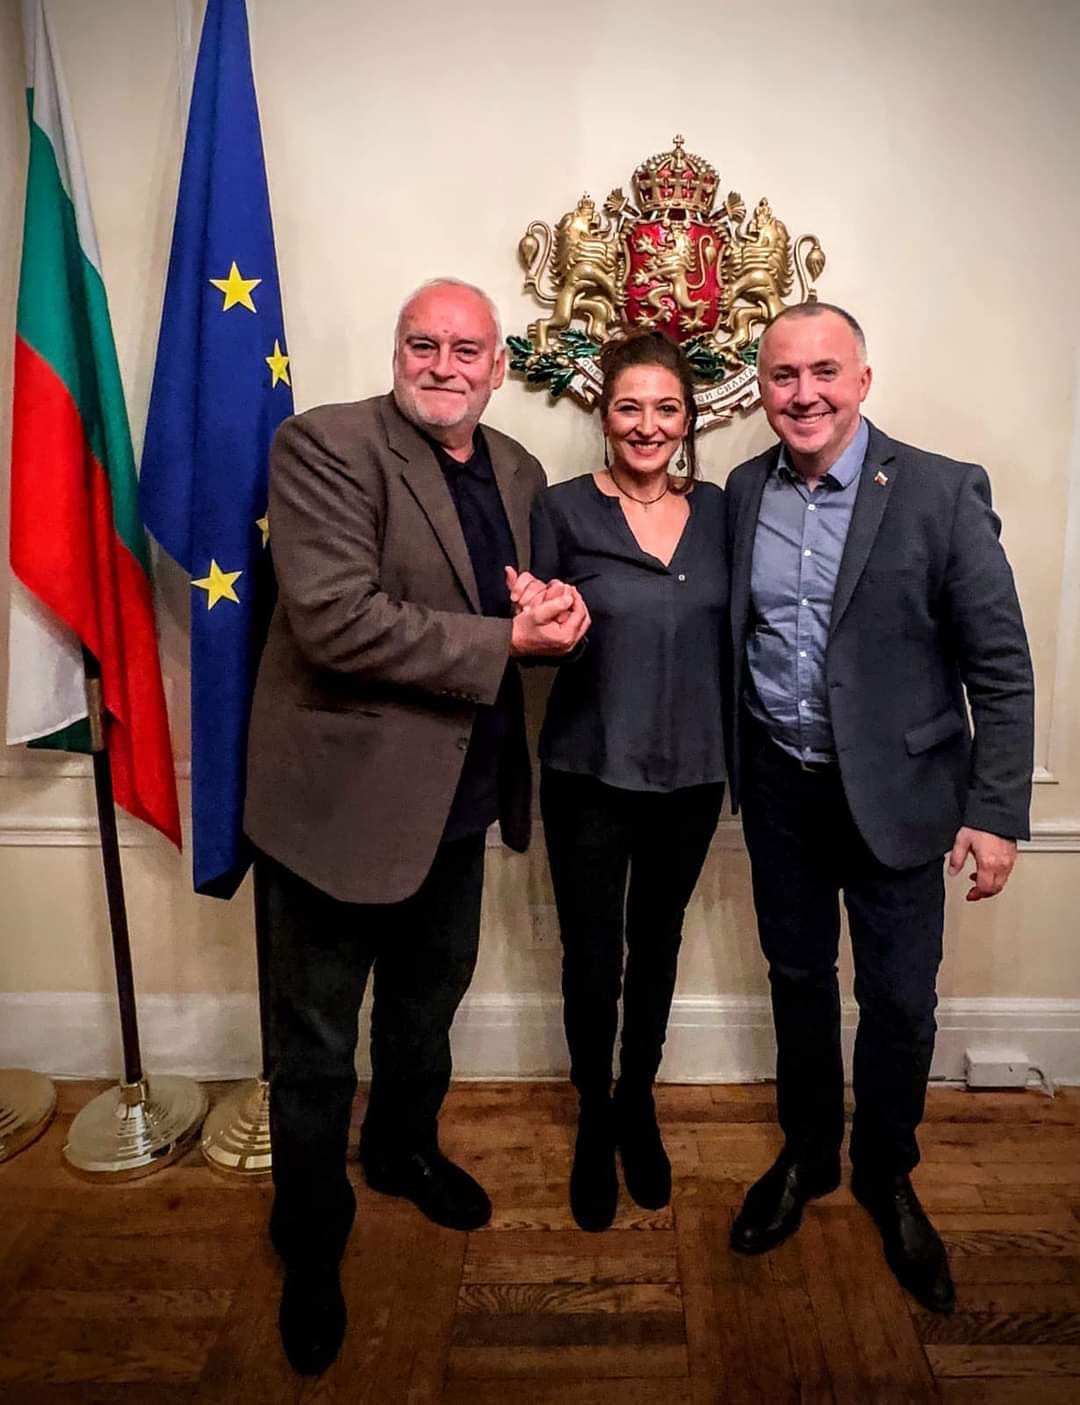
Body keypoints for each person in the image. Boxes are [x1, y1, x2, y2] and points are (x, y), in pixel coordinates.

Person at [244, 278, 590, 1375]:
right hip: (336, 810)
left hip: (461, 799)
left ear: (499, 366)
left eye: (466, 349)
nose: (443, 365)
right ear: (397, 350)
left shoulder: (519, 468)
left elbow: (514, 601)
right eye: (422, 344)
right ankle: (310, 1238)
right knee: (312, 1049)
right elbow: (335, 619)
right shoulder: (327, 445)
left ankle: (399, 1151)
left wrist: (553, 612)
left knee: (424, 1011)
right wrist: (509, 644)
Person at [724, 303, 1034, 1313]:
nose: (803, 393)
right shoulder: (742, 491)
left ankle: (886, 1171)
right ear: (761, 387)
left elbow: (1001, 665)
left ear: (863, 379)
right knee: (798, 981)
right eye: (783, 375)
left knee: (900, 1001)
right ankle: (809, 1154)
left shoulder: (940, 490)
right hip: (782, 786)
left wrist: (996, 810)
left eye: (824, 371)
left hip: (902, 795)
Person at [511, 330, 728, 1231]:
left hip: (694, 774)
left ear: (688, 420)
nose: (648, 425)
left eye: (666, 408)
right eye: (630, 407)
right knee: (593, 955)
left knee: (659, 942)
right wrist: (544, 623)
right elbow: (534, 643)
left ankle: (638, 1098)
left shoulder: (721, 511)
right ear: (604, 415)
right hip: (588, 771)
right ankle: (594, 1116)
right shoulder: (560, 510)